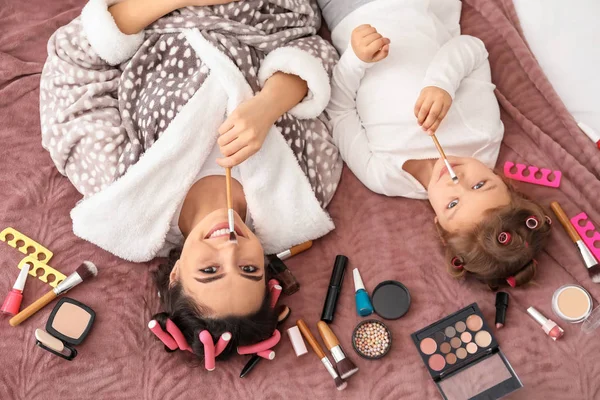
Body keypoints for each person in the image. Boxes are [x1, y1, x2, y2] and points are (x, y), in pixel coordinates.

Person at [39, 0, 342, 359]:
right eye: (249, 269)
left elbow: (73, 59)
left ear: (176, 273)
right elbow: (317, 54)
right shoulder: (307, 188)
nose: (230, 248)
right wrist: (268, 106)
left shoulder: (119, 184)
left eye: (210, 269)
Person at [319, 0, 551, 288]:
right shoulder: (483, 134)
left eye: (453, 203)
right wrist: (442, 83)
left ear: (439, 225)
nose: (456, 179)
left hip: (349, 11)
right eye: (480, 185)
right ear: (501, 180)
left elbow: (338, 110)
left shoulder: (384, 176)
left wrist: (355, 59)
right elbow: (473, 49)